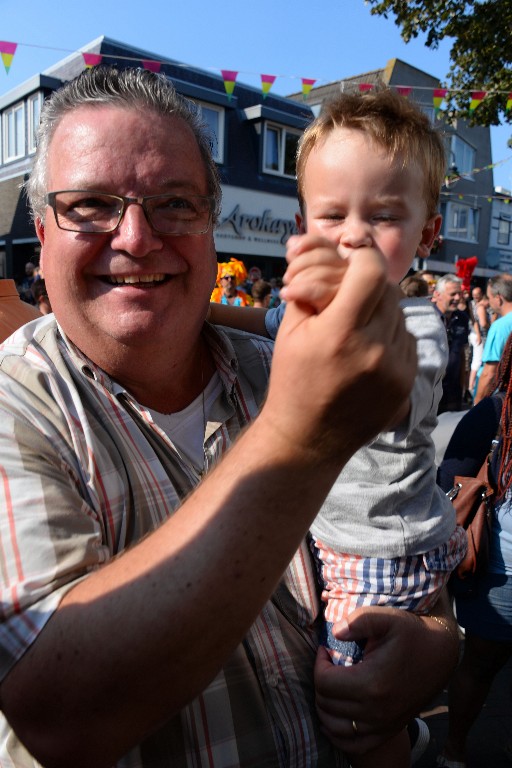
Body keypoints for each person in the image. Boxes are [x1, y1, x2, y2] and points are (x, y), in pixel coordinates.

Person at [0, 66, 459, 768]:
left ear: (212, 224)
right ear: (40, 231)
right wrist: (300, 435)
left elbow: (392, 543)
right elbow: (58, 719)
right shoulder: (17, 402)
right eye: (90, 204)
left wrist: (435, 641)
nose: (135, 237)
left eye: (175, 204)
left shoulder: (278, 358)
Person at [210, 88, 466, 768]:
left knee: (351, 705)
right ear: (302, 225)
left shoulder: (414, 326)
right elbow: (257, 322)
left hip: (377, 547)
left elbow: (387, 395)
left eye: (382, 217)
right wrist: (202, 314)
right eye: (332, 215)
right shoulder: (308, 315)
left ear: (425, 237)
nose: (352, 234)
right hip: (373, 534)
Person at [437, 330, 512, 768]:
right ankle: (454, 751)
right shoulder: (495, 411)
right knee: (481, 664)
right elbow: (452, 481)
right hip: (501, 570)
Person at [431, 275, 469, 413]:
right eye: (453, 294)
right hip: (429, 391)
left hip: (453, 391)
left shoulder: (462, 318)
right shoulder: (427, 316)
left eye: (459, 293)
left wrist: (463, 385)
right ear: (437, 294)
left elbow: (462, 353)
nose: (458, 298)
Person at [473, 274, 512, 404]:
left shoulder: (500, 326)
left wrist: (477, 405)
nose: (488, 302)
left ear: (498, 298)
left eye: (489, 298)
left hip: (498, 397)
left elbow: (489, 373)